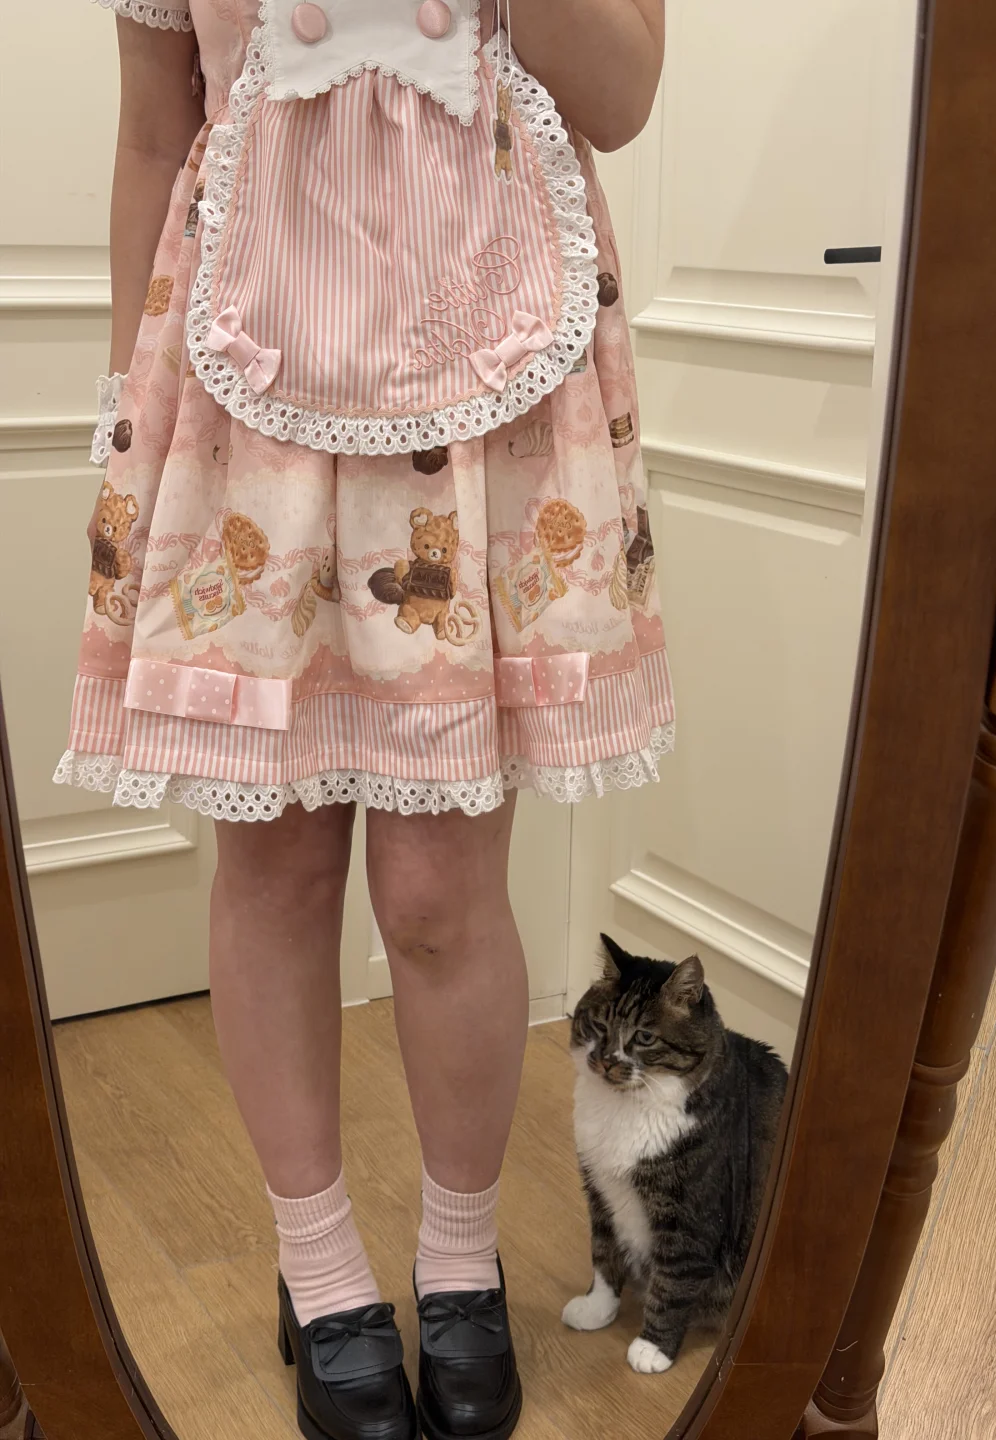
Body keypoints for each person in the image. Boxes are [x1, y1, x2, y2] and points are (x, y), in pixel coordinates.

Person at [59, 2, 670, 1436]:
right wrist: (129, 406)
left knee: (443, 891)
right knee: (275, 865)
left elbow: (621, 95)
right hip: (242, 385)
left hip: (491, 386)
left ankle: (459, 1258)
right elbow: (154, 129)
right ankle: (319, 1265)